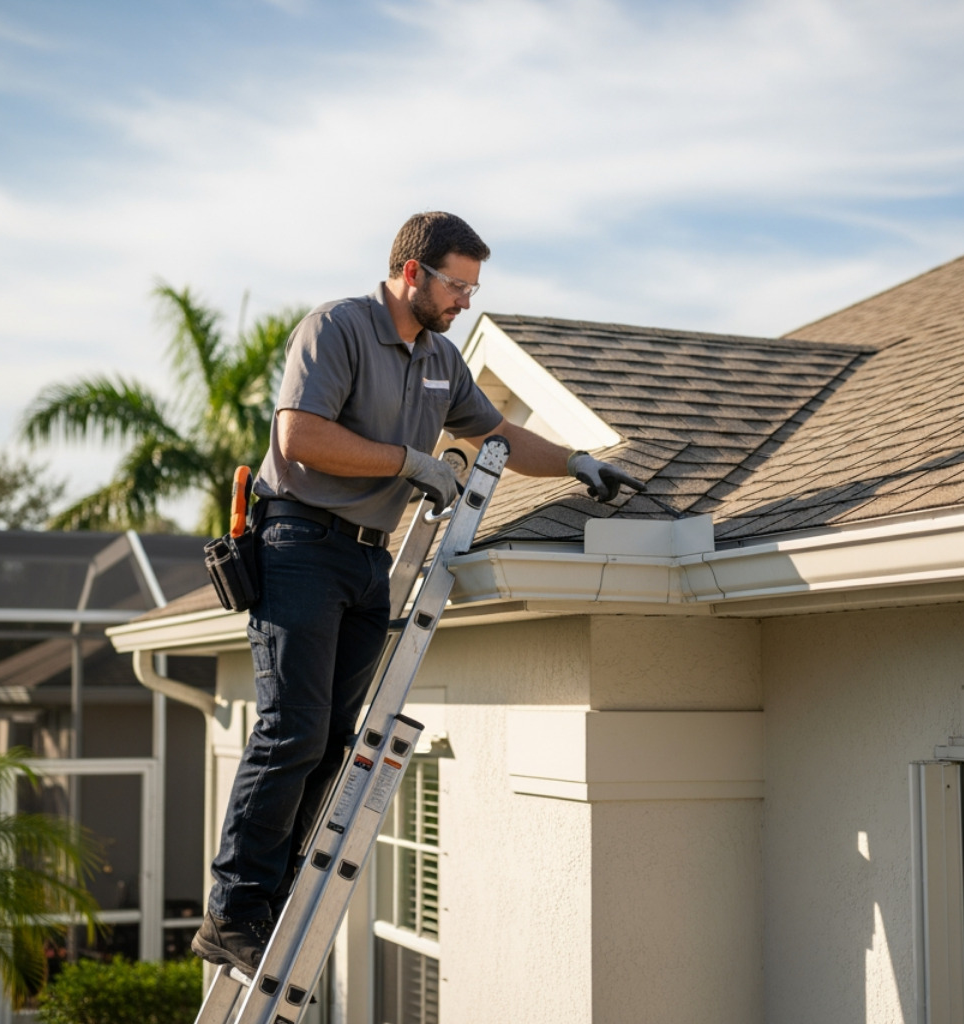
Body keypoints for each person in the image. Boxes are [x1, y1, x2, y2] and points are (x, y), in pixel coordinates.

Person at [192, 211, 645, 973]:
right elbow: (300, 436)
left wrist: (575, 461)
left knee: (332, 742)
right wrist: (410, 462)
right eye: (457, 284)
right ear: (412, 273)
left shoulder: (441, 360)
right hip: (300, 544)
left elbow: (496, 432)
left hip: (370, 564)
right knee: (291, 732)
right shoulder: (337, 328)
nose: (466, 299)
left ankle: (270, 901)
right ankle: (231, 912)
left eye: (473, 286)